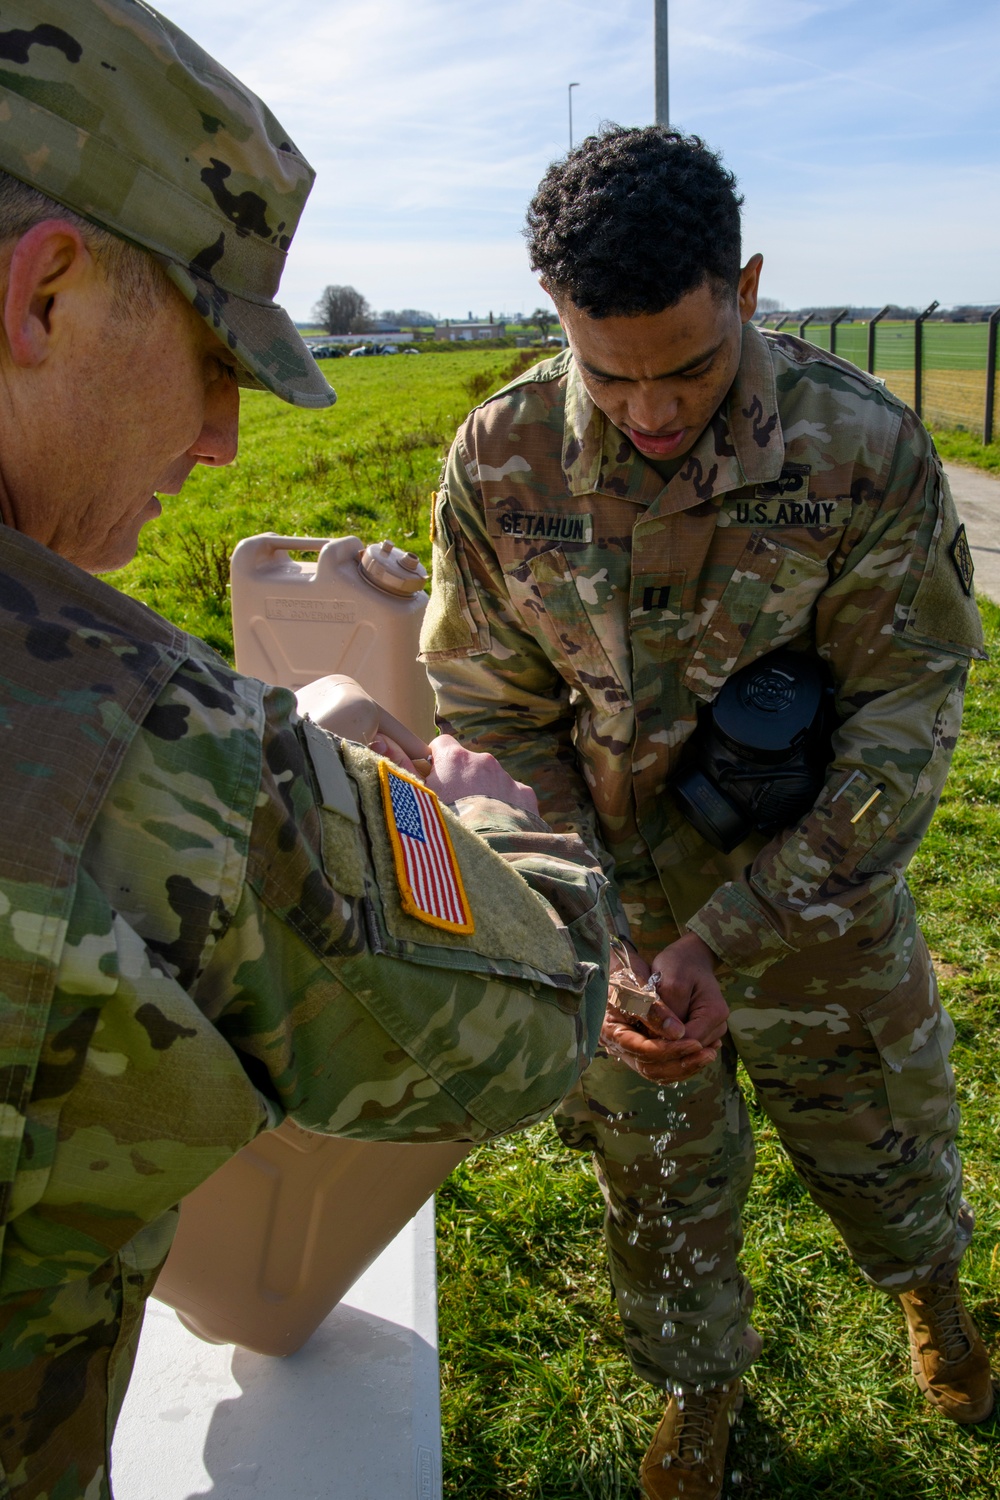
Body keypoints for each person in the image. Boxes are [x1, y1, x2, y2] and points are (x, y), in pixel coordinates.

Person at [0, 5, 613, 1497]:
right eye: (214, 358)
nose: (220, 440)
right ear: (46, 293)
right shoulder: (133, 752)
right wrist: (492, 822)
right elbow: (530, 1019)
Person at [420, 124, 993, 1499]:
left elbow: (904, 732)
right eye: (608, 374)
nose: (652, 411)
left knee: (885, 1137)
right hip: (614, 899)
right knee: (658, 1184)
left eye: (684, 365)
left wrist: (735, 936)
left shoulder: (859, 452)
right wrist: (586, 925)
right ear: (556, 320)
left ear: (742, 285)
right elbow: (489, 719)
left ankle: (937, 1300)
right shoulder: (500, 463)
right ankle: (699, 1389)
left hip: (813, 895)